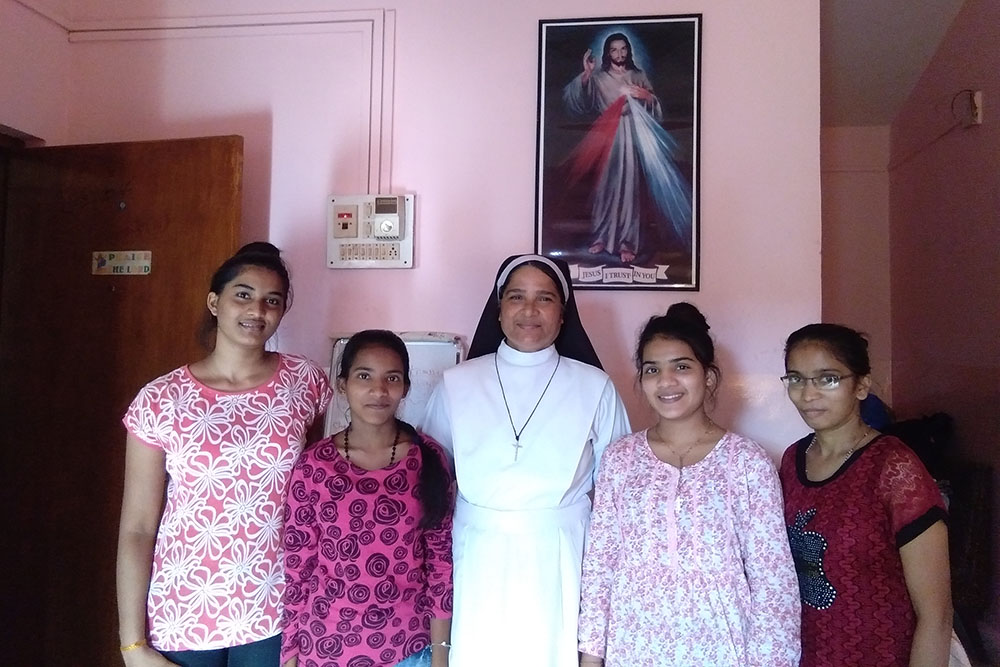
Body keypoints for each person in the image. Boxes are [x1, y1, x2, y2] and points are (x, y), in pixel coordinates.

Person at [116, 242, 333, 667]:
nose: (257, 310)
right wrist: (132, 644)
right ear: (215, 302)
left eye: (272, 300)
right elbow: (139, 527)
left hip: (276, 604)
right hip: (184, 607)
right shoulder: (160, 399)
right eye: (244, 294)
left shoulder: (305, 381)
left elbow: (318, 490)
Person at [421, 254, 630, 667]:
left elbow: (620, 491)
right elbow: (433, 485)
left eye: (545, 298)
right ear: (499, 310)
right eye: (517, 297)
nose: (530, 310)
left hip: (563, 560)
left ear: (563, 313)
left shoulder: (595, 387)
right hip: (476, 558)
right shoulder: (455, 384)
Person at [578, 303, 801, 666]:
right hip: (635, 642)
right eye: (652, 370)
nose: (666, 382)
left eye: (681, 366)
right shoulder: (621, 459)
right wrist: (591, 657)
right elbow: (601, 566)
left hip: (723, 644)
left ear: (709, 377)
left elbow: (773, 579)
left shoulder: (747, 462)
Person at [778, 324, 953, 666]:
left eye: (827, 378)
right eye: (796, 379)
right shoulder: (792, 460)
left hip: (880, 654)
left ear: (861, 386)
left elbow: (937, 614)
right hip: (804, 654)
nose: (808, 394)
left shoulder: (894, 468)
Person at [281, 330, 454, 667]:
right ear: (342, 384)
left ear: (405, 387)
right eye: (364, 376)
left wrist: (440, 654)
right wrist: (290, 652)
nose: (379, 390)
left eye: (392, 378)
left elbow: (440, 566)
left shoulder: (428, 458)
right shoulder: (315, 465)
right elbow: (298, 567)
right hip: (326, 647)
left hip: (409, 649)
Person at [562, 31, 692, 264]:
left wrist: (647, 97)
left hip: (632, 137)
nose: (619, 53)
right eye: (614, 49)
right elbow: (577, 102)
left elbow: (655, 107)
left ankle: (627, 242)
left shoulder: (638, 75)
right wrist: (586, 74)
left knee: (629, 191)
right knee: (605, 188)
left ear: (628, 51)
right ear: (607, 52)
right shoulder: (599, 78)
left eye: (623, 49)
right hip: (606, 138)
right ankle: (603, 236)